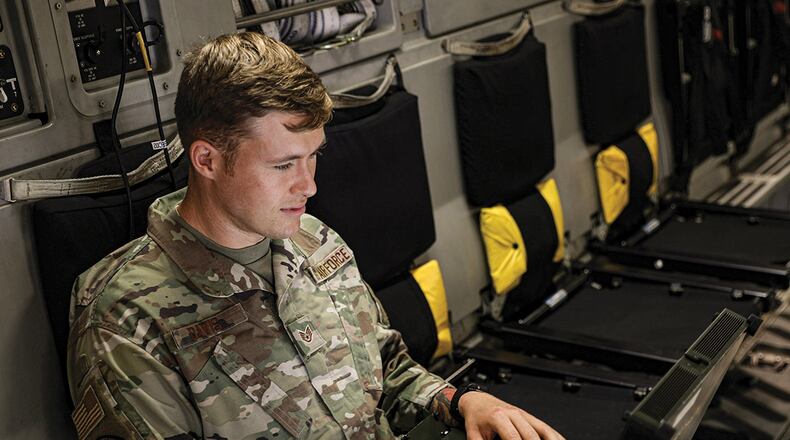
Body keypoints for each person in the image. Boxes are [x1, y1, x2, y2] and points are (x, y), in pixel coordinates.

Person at [66, 32, 564, 440]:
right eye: (283, 164)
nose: (309, 185)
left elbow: (386, 372)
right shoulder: (126, 320)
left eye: (314, 156)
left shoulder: (312, 239)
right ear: (207, 160)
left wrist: (461, 402)